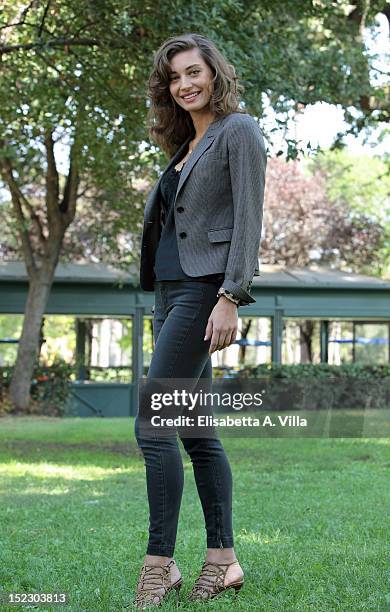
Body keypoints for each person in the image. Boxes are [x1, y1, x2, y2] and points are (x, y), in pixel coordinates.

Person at [133, 32, 267, 608]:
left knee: (151, 422)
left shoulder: (239, 130)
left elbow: (249, 218)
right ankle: (224, 562)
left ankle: (159, 565)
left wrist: (231, 295)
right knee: (196, 432)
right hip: (168, 295)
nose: (185, 84)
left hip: (202, 292)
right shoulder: (187, 143)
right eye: (174, 78)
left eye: (194, 72)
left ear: (215, 72)